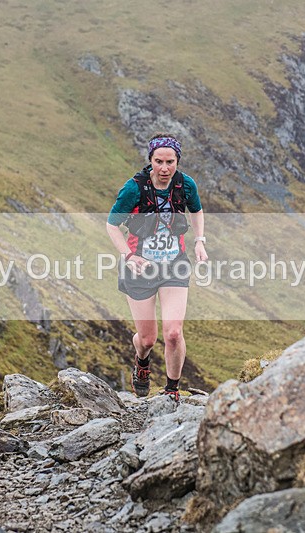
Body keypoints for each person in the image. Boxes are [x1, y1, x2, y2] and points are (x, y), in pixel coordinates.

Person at [106, 133, 207, 402]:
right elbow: (111, 225)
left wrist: (199, 241)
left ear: (177, 161)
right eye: (158, 162)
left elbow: (196, 210)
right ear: (150, 161)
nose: (164, 168)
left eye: (170, 162)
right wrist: (128, 256)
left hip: (174, 265)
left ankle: (172, 389)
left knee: (173, 333)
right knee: (148, 339)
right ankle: (142, 362)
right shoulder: (133, 189)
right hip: (139, 269)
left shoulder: (185, 185)